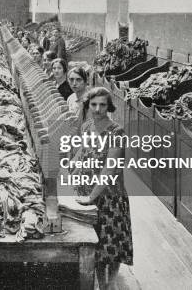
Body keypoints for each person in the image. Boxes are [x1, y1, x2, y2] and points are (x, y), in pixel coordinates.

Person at [73, 87, 133, 287]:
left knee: (112, 243)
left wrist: (91, 197)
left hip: (109, 195)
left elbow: (110, 170)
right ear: (88, 106)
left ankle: (112, 283)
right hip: (86, 191)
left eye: (102, 105)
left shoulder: (116, 132)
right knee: (96, 244)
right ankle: (101, 283)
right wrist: (73, 165)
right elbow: (83, 149)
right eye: (94, 104)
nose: (98, 109)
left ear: (109, 107)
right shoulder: (87, 126)